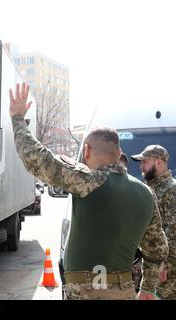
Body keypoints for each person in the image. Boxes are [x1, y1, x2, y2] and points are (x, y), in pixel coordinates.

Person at [9, 83, 168, 300]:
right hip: (125, 291)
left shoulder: (87, 180)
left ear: (86, 150)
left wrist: (18, 119)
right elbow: (157, 250)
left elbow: (37, 158)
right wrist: (148, 288)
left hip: (86, 292)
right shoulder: (146, 193)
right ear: (119, 152)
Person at [132, 145, 176, 299]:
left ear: (158, 162)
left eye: (145, 162)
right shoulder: (150, 189)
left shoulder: (171, 190)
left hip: (165, 273)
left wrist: (165, 266)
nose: (141, 166)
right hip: (149, 267)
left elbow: (173, 232)